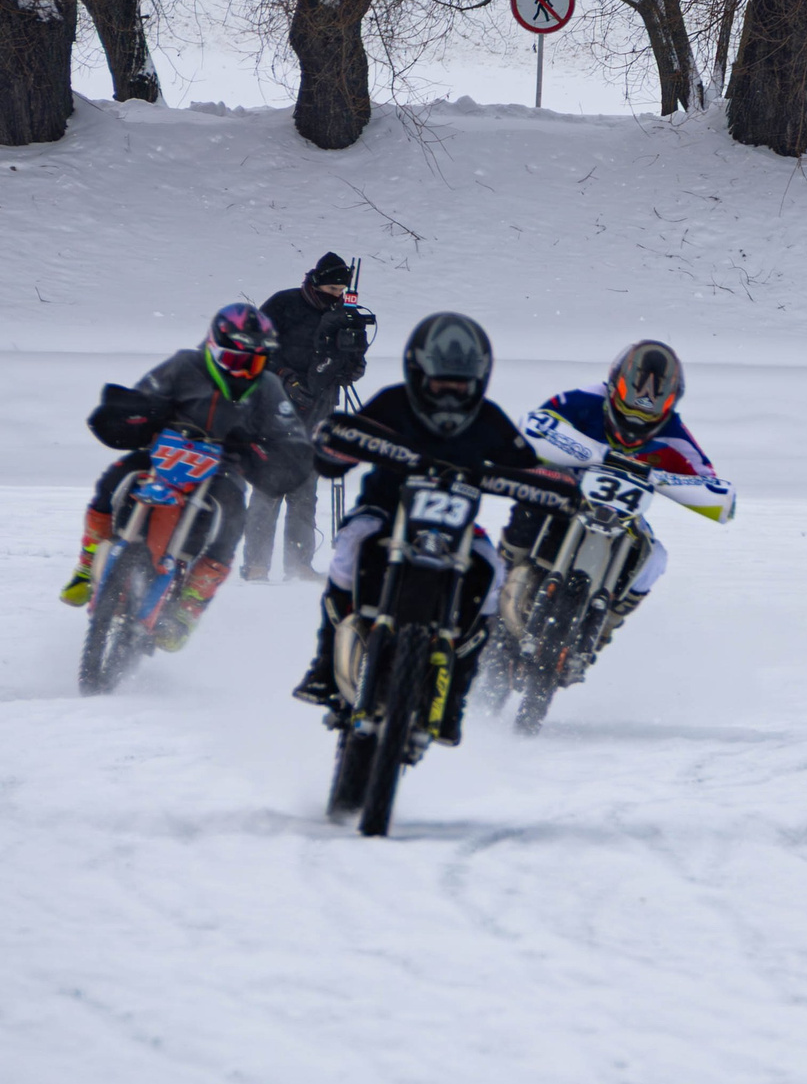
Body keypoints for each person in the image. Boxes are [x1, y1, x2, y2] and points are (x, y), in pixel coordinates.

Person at [291, 313, 574, 744]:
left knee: (493, 574)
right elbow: (339, 452)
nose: (450, 391)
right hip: (382, 514)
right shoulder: (391, 403)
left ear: (478, 378)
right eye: (441, 382)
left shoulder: (491, 419)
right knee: (349, 548)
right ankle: (324, 668)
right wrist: (334, 449)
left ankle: (454, 695)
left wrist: (560, 487)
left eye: (459, 384)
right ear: (417, 372)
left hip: (457, 531)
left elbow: (525, 467)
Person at [59, 304, 313, 649]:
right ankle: (87, 565)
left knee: (233, 518)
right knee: (111, 482)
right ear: (214, 346)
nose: (244, 371)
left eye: (254, 363)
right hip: (163, 451)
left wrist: (266, 451)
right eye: (238, 360)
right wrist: (141, 413)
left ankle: (188, 607)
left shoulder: (267, 388)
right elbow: (143, 396)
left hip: (223, 468)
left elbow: (290, 434)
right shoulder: (183, 365)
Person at [499, 340, 736, 649]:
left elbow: (717, 493)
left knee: (655, 559)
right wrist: (592, 453)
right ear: (613, 388)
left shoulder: (677, 439)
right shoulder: (584, 400)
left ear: (669, 407)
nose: (634, 423)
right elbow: (533, 424)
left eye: (650, 416)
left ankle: (605, 625)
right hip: (568, 493)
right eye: (626, 408)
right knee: (531, 503)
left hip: (623, 516)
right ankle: (500, 581)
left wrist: (659, 477)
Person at [246, 252, 373, 580]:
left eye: (340, 290)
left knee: (305, 493)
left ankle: (298, 565)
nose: (335, 295)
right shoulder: (283, 305)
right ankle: (256, 566)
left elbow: (351, 360)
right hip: (276, 408)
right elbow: (256, 350)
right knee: (268, 490)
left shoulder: (343, 315)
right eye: (330, 288)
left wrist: (353, 367)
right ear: (315, 281)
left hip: (320, 410)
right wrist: (287, 377)